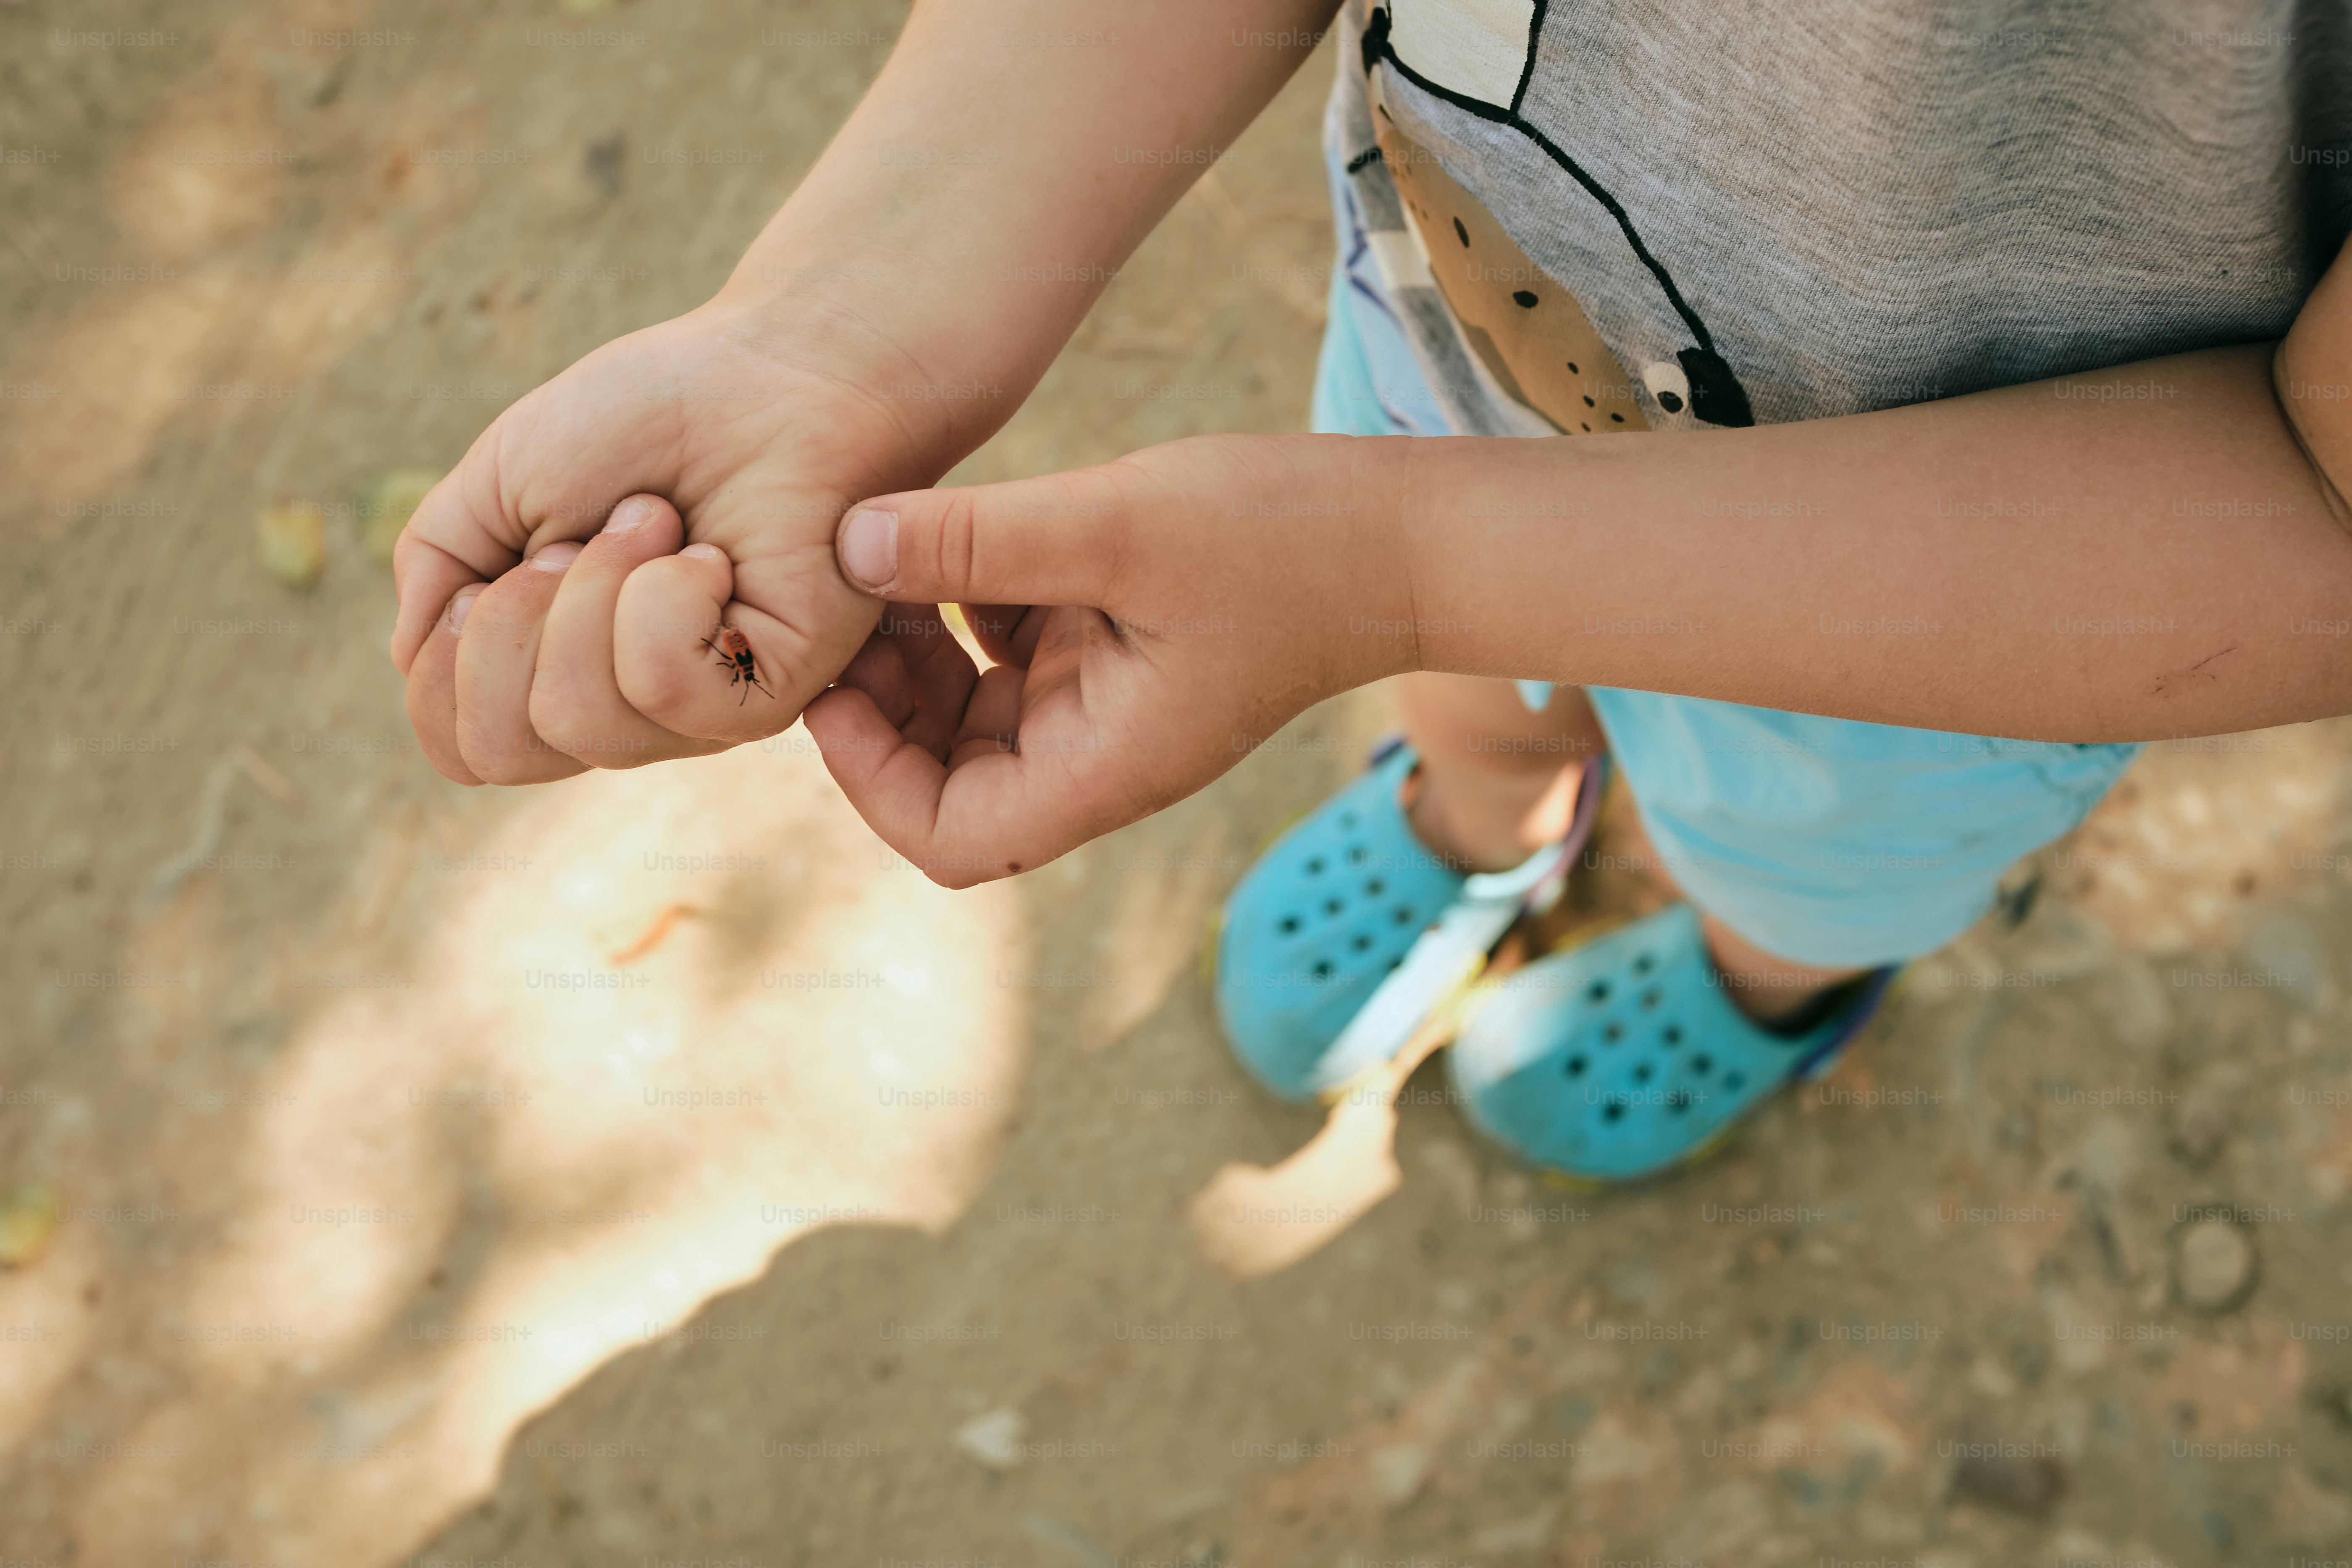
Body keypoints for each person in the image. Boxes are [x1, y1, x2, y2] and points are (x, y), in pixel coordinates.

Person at [393, 0, 2352, 1182]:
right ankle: (1483, 818)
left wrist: (1393, 570)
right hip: (1436, 341)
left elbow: (2321, 494)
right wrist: (828, 342)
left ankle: (1774, 985)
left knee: (1807, 854)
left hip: (1963, 613)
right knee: (1456, 694)